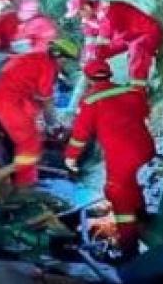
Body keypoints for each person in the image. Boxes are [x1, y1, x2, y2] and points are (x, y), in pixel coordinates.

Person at [63, 60, 156, 257]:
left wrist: (70, 158)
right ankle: (143, 218)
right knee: (135, 185)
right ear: (109, 73)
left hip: (122, 154)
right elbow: (145, 113)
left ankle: (130, 250)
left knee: (118, 193)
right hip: (146, 148)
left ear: (88, 78)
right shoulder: (131, 91)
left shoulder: (90, 101)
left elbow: (80, 135)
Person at [0, 45, 61, 190]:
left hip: (5, 97)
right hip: (6, 102)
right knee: (30, 144)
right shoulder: (48, 66)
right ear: (60, 58)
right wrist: (53, 124)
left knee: (32, 137)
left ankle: (29, 179)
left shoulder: (33, 57)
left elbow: (35, 95)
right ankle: (5, 179)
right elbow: (47, 100)